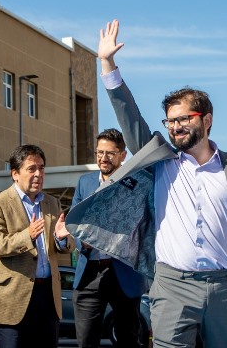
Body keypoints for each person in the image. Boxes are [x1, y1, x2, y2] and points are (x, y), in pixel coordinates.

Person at [67, 19, 227, 348]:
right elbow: (129, 116)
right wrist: (107, 64)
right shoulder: (161, 162)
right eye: (170, 121)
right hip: (172, 285)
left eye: (183, 119)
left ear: (207, 120)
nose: (175, 127)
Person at [0, 144, 75, 348]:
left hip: (47, 296)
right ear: (15, 174)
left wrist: (60, 238)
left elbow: (67, 246)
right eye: (31, 169)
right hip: (12, 298)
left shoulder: (52, 203)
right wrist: (27, 236)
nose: (38, 174)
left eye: (41, 168)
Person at [71, 128, 149, 348]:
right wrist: (81, 242)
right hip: (90, 272)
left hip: (124, 271)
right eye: (99, 152)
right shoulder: (84, 183)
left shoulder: (136, 183)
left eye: (110, 153)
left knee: (128, 340)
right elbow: (74, 222)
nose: (103, 158)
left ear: (123, 156)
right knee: (86, 341)